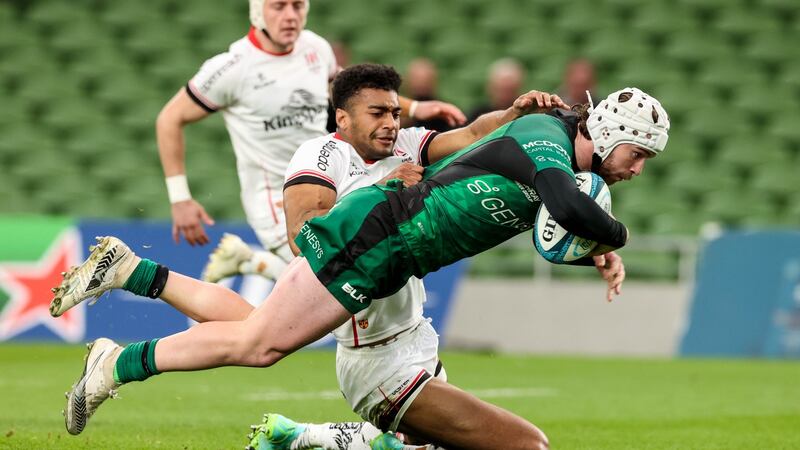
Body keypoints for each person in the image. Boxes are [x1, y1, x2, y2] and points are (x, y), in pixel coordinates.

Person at [51, 83, 669, 448]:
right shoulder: (548, 140)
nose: (638, 169)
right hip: (376, 239)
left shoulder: (553, 147)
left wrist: (598, 249)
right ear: (610, 127)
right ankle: (117, 362)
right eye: (638, 154)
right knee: (261, 344)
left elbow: (550, 200)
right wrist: (617, 235)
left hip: (385, 252)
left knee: (259, 333)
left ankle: (127, 309)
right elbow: (563, 202)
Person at [156, 0, 466, 284]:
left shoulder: (315, 48)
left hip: (329, 179)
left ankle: (252, 262)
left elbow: (350, 92)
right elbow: (169, 118)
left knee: (338, 278)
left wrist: (414, 108)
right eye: (279, 6)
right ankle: (252, 264)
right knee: (328, 274)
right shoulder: (232, 67)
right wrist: (180, 197)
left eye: (298, 5)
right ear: (257, 11)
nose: (291, 15)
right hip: (275, 197)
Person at [401, 58, 453, 132]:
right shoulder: (399, 110)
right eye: (416, 78)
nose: (421, 83)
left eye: (425, 79)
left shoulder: (443, 111)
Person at [467, 57, 526, 122]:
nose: (505, 96)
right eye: (500, 90)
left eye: (509, 90)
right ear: (490, 88)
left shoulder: (527, 114)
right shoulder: (478, 114)